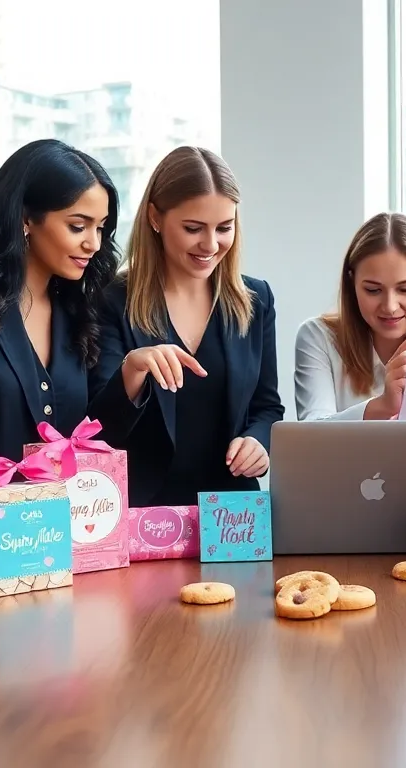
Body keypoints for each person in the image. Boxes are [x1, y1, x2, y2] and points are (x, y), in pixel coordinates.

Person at [0, 140, 135, 478]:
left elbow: (92, 430)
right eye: (78, 226)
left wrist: (132, 374)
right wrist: (14, 491)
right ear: (25, 219)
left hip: (65, 517)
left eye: (101, 227)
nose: (94, 243)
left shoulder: (77, 305)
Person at [90, 146, 283, 507]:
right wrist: (133, 368)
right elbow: (99, 428)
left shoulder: (256, 300)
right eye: (193, 228)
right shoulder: (112, 299)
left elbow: (267, 407)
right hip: (143, 515)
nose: (210, 245)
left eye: (224, 228)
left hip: (231, 514)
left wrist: (258, 442)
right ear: (155, 218)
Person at [294, 212, 406, 421]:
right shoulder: (320, 339)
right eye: (373, 290)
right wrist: (381, 406)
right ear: (352, 283)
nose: (390, 307)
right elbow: (310, 434)